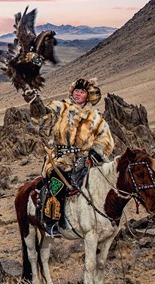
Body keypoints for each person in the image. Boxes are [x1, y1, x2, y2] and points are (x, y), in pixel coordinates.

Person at [25, 78, 115, 237]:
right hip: (62, 158)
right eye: (76, 91)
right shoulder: (61, 107)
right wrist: (35, 102)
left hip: (86, 159)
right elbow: (45, 116)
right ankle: (51, 222)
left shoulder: (95, 117)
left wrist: (95, 152)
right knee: (57, 183)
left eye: (82, 92)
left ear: (88, 96)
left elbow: (104, 137)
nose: (78, 94)